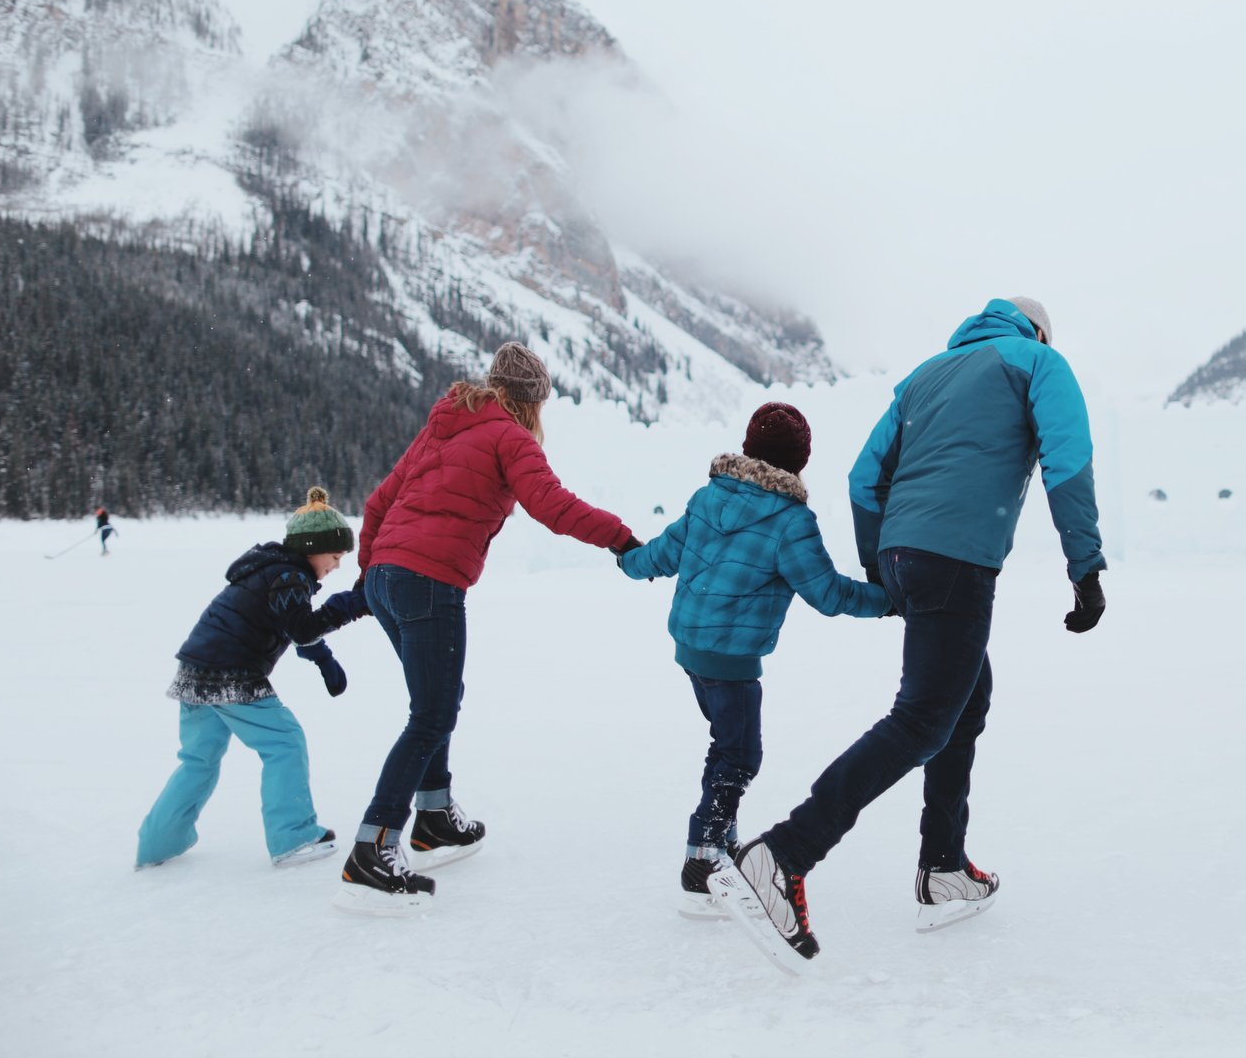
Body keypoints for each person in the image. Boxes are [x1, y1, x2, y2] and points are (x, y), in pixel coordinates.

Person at [711, 297, 1107, 964]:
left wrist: (882, 565)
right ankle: (783, 855)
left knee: (965, 696)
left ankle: (945, 867)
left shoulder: (924, 376)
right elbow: (1067, 457)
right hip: (956, 560)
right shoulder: (1038, 361)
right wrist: (1085, 565)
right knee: (924, 717)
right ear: (1036, 330)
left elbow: (865, 481)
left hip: (907, 551)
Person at [338, 342, 638, 915]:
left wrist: (371, 573)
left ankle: (432, 816)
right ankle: (372, 849)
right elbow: (551, 506)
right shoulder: (509, 437)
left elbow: (379, 501)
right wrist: (621, 538)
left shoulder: (445, 424)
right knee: (431, 714)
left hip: (387, 577)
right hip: (428, 582)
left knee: (439, 700)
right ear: (531, 402)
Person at [615, 402, 891, 917]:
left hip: (691, 650)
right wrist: (889, 601)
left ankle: (721, 844)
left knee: (726, 746)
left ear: (747, 448)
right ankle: (703, 860)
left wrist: (628, 559)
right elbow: (828, 595)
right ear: (799, 462)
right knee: (740, 755)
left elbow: (662, 554)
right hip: (732, 659)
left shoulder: (707, 497)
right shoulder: (790, 520)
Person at [135, 487, 367, 870]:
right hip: (232, 673)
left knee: (198, 759)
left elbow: (292, 626)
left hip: (195, 669)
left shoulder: (271, 570)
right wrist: (349, 606)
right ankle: (293, 836)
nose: (337, 566)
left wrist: (323, 658)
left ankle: (158, 842)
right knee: (285, 742)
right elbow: (303, 626)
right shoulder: (290, 576)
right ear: (313, 548)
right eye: (336, 556)